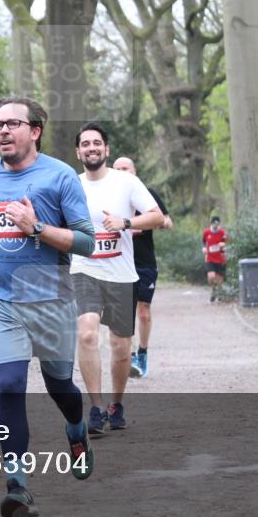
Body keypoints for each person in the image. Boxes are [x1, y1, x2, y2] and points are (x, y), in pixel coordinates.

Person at [0, 96, 96, 517]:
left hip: (52, 299)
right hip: (3, 299)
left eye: (12, 124)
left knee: (61, 387)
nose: (2, 131)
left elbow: (87, 242)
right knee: (9, 385)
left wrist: (36, 227)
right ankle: (17, 485)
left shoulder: (59, 176)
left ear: (35, 131)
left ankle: (76, 431)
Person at [71, 124, 163, 436]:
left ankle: (116, 404)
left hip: (121, 274)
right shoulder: (71, 184)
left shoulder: (126, 181)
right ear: (78, 152)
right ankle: (96, 408)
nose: (91, 148)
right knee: (87, 334)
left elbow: (156, 216)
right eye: (85, 144)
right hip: (84, 270)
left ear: (106, 149)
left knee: (120, 345)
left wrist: (125, 222)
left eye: (97, 143)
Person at [111, 157, 172, 379]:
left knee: (143, 312)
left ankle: (142, 354)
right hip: (118, 261)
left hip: (144, 262)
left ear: (134, 171)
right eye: (117, 169)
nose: (122, 172)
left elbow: (167, 221)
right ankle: (129, 357)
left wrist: (155, 223)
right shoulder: (109, 197)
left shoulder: (147, 194)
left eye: (125, 168)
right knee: (124, 313)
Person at [202, 216, 227, 301]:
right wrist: (204, 248)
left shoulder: (222, 232)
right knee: (211, 276)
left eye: (217, 224)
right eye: (214, 223)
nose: (216, 225)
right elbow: (203, 241)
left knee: (219, 279)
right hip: (210, 257)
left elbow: (226, 241)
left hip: (220, 258)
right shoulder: (206, 232)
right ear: (211, 223)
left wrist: (223, 244)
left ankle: (219, 293)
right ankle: (213, 289)